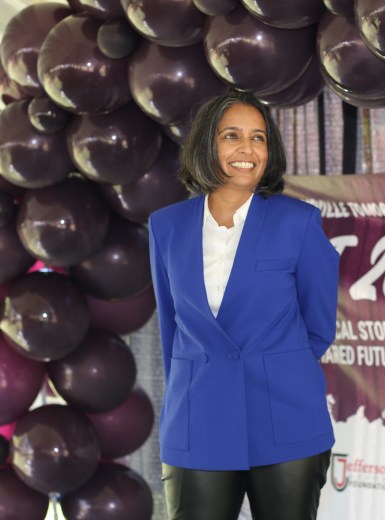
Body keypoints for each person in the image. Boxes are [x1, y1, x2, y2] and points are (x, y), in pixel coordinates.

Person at [148, 90, 340, 520]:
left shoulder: (299, 221)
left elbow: (319, 326)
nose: (246, 149)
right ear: (206, 145)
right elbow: (171, 330)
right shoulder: (167, 226)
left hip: (284, 416)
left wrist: (278, 367)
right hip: (198, 417)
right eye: (231, 135)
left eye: (259, 138)